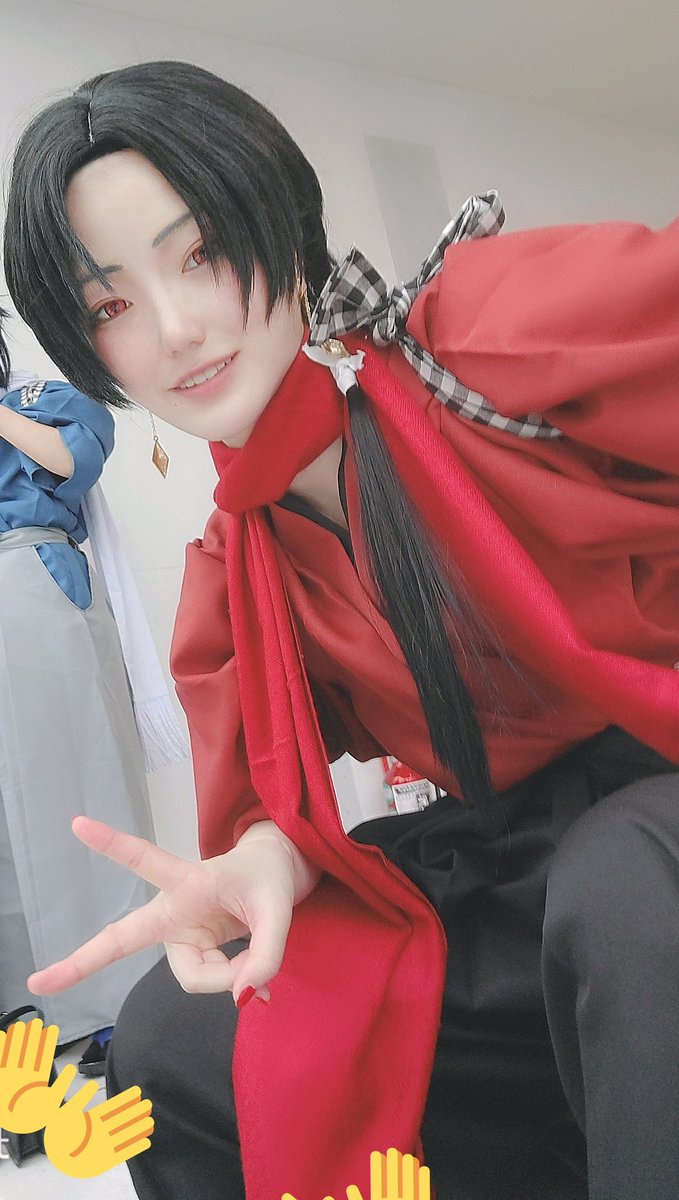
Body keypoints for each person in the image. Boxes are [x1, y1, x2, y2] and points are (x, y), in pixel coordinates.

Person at [3, 59, 679, 1200]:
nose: (176, 329)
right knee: (180, 1034)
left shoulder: (479, 337)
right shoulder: (234, 570)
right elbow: (265, 809)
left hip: (652, 812)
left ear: (277, 214)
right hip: (515, 852)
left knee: (621, 886)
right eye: (111, 306)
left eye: (201, 254)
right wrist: (264, 857)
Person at [0, 311, 161, 1077]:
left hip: (32, 585)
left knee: (76, 785)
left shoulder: (40, 399)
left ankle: (112, 1001)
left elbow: (77, 458)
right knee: (6, 818)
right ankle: (22, 1004)